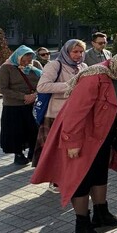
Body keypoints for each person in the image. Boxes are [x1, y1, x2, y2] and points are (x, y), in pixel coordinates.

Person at [31, 50, 117, 233]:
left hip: (103, 136)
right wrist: (71, 142)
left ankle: (101, 214)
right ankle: (82, 224)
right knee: (80, 178)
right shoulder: (94, 76)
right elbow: (75, 112)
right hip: (82, 136)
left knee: (99, 174)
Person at [34, 39, 87, 192]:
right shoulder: (54, 65)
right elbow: (42, 87)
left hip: (76, 114)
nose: (78, 55)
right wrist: (70, 86)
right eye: (74, 52)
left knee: (72, 149)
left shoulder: (83, 66)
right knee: (55, 150)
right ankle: (54, 180)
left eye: (81, 52)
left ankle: (70, 177)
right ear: (66, 51)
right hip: (56, 114)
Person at [0, 45, 42, 165]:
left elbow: (44, 82)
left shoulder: (36, 65)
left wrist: (35, 96)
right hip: (14, 106)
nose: (27, 63)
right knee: (16, 131)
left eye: (29, 60)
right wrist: (23, 97)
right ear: (18, 57)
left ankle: (33, 151)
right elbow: (3, 89)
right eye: (24, 60)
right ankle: (18, 153)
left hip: (33, 103)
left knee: (34, 130)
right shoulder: (7, 68)